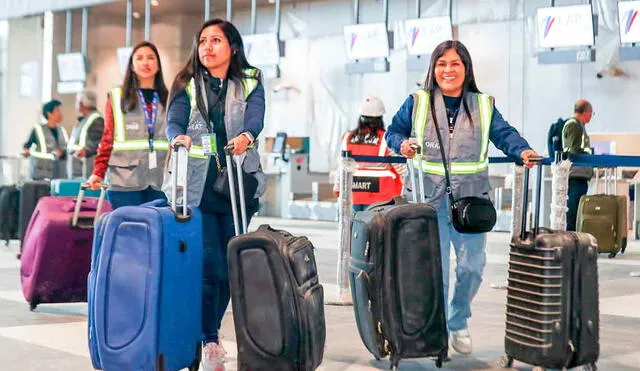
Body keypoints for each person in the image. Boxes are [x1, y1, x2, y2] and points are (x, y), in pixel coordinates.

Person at [385, 40, 539, 357]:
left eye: (455, 63)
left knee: (473, 267)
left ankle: (458, 320)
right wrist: (402, 144)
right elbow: (393, 132)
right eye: (442, 64)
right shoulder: (418, 102)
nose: (448, 70)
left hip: (470, 201)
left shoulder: (482, 104)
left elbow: (504, 132)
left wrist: (521, 149)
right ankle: (438, 329)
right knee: (435, 271)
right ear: (433, 69)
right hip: (428, 200)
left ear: (466, 68)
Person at [164, 19, 265, 371]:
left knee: (229, 268)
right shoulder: (187, 83)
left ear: (232, 46)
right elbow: (174, 119)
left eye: (216, 40)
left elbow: (256, 115)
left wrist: (248, 136)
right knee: (210, 265)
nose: (207, 47)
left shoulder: (250, 80)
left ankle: (208, 333)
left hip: (237, 186)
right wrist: (177, 137)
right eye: (203, 41)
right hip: (198, 187)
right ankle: (207, 339)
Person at [86, 41, 170, 209]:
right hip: (124, 179)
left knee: (156, 232)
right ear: (131, 65)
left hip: (160, 180)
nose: (145, 62)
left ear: (158, 65)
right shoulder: (118, 96)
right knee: (130, 232)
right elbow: (107, 138)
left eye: (151, 58)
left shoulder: (169, 98)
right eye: (139, 58)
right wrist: (98, 172)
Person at [334, 96, 403, 212]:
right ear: (380, 118)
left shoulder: (348, 137)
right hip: (381, 197)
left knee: (354, 227)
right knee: (375, 229)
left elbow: (342, 166)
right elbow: (401, 168)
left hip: (353, 194)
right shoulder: (386, 139)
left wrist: (338, 187)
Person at [562, 99, 594, 231]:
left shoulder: (579, 125)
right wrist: (590, 154)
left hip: (581, 175)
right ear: (586, 112)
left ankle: (574, 235)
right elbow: (573, 150)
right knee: (573, 209)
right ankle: (570, 235)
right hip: (575, 175)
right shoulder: (573, 125)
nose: (591, 116)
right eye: (591, 113)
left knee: (577, 209)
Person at [22, 99, 68, 180]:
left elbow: (66, 149)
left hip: (59, 174)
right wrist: (26, 151)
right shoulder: (38, 130)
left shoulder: (62, 130)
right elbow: (27, 146)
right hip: (41, 174)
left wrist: (62, 153)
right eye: (57, 110)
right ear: (49, 113)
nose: (60, 113)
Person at [66, 89, 104, 179]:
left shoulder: (96, 119)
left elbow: (99, 141)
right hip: (77, 168)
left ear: (81, 103)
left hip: (86, 169)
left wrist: (86, 150)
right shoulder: (83, 119)